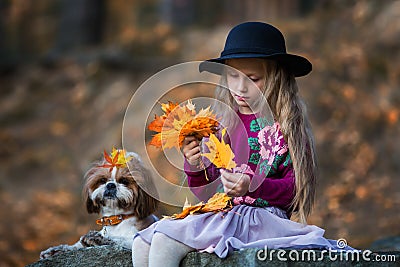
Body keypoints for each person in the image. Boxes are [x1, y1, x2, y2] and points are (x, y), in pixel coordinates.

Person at [132, 21, 351, 267]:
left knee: (164, 240)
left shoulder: (286, 127)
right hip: (221, 215)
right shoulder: (225, 124)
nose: (240, 87)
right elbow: (206, 192)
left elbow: (296, 191)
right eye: (233, 76)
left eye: (253, 78)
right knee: (142, 242)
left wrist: (252, 186)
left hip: (259, 221)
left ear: (276, 78)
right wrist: (195, 165)